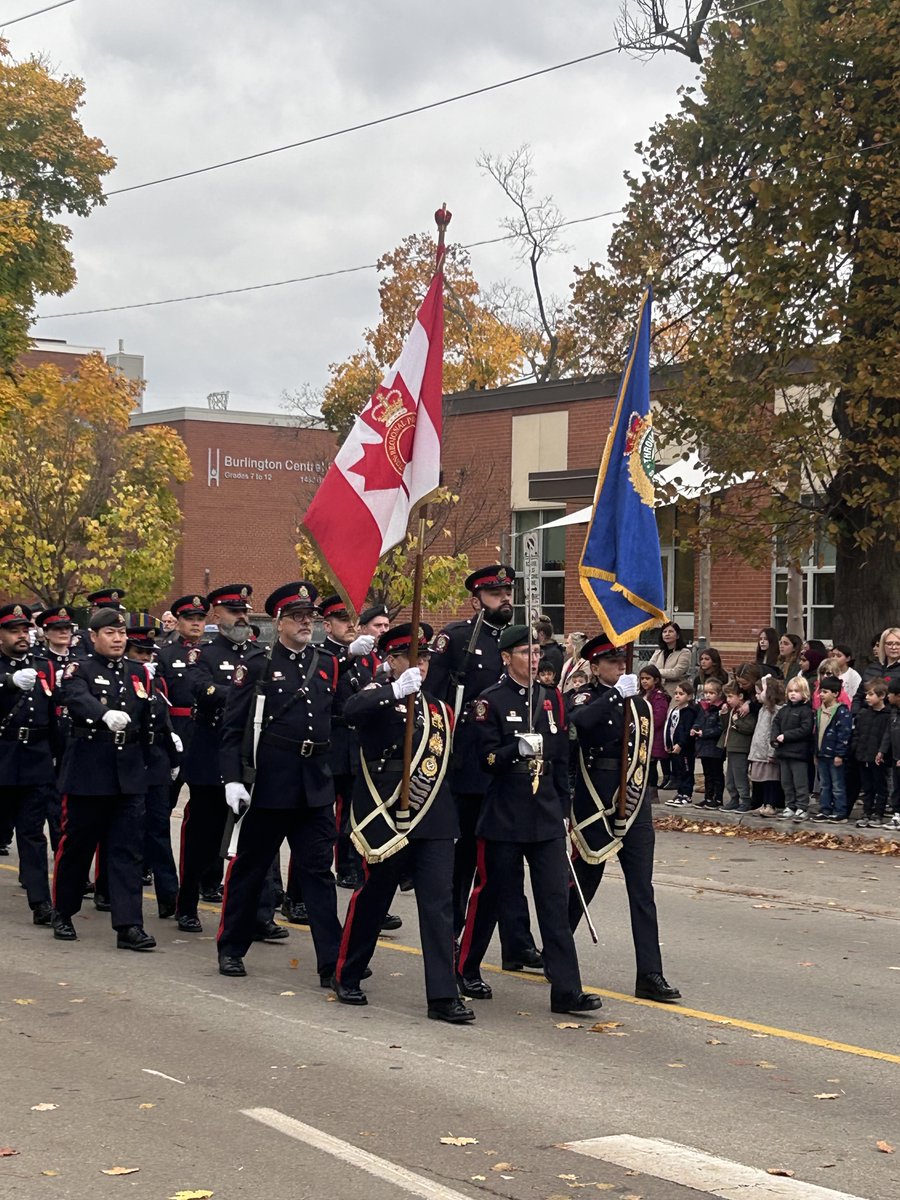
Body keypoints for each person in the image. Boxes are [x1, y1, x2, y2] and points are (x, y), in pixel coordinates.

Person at [458, 624, 602, 1015]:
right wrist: (514, 751)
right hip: (505, 813)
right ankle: (465, 968)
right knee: (490, 897)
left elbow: (558, 759)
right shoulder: (491, 701)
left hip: (544, 815)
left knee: (555, 902)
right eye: (525, 652)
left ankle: (567, 990)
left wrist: (564, 809)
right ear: (506, 657)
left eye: (537, 651)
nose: (535, 658)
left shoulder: (552, 697)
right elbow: (484, 761)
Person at [333, 623, 473, 1023]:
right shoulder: (375, 698)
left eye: (426, 658)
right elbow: (350, 713)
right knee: (375, 897)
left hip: (433, 816)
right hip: (386, 813)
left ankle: (443, 996)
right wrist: (394, 691)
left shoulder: (440, 709)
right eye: (413, 657)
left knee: (438, 905)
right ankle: (348, 972)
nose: (422, 665)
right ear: (392, 661)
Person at [216, 582, 343, 984]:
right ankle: (232, 948)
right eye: (298, 617)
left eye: (311, 617)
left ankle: (333, 963)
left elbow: (340, 716)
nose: (307, 624)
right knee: (251, 870)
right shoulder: (256, 664)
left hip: (314, 785)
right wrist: (233, 780)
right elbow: (232, 729)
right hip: (270, 784)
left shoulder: (327, 663)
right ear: (279, 621)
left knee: (319, 875)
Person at [426, 564, 540, 972]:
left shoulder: (521, 641)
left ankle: (517, 942)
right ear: (477, 598)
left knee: (509, 860)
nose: (504, 598)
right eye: (495, 593)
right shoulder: (456, 639)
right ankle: (455, 936)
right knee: (465, 864)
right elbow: (433, 701)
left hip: (512, 770)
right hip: (469, 769)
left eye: (507, 591)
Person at [566, 632, 681, 1004]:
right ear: (595, 666)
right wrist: (617, 694)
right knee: (585, 883)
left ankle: (650, 973)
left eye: (621, 661)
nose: (620, 667)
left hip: (633, 803)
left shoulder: (641, 707)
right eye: (612, 662)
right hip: (596, 800)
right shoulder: (587, 696)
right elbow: (581, 723)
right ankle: (558, 951)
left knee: (642, 891)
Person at [52, 608, 155, 950]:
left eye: (121, 633)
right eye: (110, 633)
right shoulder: (78, 669)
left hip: (128, 772)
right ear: (93, 637)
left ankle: (128, 926)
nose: (118, 639)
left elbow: (150, 718)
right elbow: (73, 697)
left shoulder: (138, 672)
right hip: (89, 770)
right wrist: (102, 713)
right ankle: (63, 912)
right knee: (78, 847)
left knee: (127, 851)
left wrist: (165, 756)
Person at [177, 584, 266, 933]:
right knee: (202, 837)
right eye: (233, 611)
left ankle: (256, 914)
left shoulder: (260, 656)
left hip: (250, 755)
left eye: (244, 610)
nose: (242, 617)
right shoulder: (205, 654)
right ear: (217, 615)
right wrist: (243, 695)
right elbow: (202, 689)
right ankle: (187, 903)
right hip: (211, 753)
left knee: (254, 841)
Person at [0, 603, 59, 926]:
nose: (22, 636)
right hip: (3, 756)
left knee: (33, 835)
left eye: (25, 629)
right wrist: (8, 683)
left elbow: (52, 716)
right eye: (13, 630)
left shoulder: (42, 666)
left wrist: (58, 757)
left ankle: (40, 903)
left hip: (35, 758)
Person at [124, 615, 182, 917]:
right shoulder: (120, 680)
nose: (145, 658)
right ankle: (115, 894)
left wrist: (174, 758)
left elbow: (165, 722)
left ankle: (168, 896)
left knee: (159, 832)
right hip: (128, 764)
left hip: (156, 763)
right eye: (139, 653)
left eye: (149, 652)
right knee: (127, 836)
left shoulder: (156, 680)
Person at [771, 676, 814, 820]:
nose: (793, 694)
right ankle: (790, 805)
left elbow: (805, 729)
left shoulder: (805, 711)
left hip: (799, 753)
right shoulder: (784, 710)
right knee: (786, 781)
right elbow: (775, 724)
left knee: (800, 781)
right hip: (784, 752)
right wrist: (774, 738)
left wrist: (786, 736)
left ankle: (802, 806)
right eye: (790, 691)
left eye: (796, 691)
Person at [813, 676, 852, 822]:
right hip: (822, 754)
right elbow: (816, 733)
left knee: (837, 784)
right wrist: (815, 752)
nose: (821, 695)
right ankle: (825, 809)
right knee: (824, 784)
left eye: (825, 691)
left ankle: (840, 811)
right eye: (820, 691)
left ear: (835, 694)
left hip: (835, 755)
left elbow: (844, 734)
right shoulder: (819, 711)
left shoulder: (841, 711)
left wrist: (840, 754)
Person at [852, 680, 890, 828]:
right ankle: (867, 812)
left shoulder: (888, 715)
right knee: (867, 787)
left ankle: (878, 813)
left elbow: (887, 738)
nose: (867, 697)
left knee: (880, 786)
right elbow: (857, 733)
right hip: (863, 755)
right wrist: (856, 749)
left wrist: (883, 753)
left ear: (881, 696)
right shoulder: (863, 713)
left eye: (871, 694)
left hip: (879, 758)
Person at [748, 675, 785, 816]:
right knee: (760, 779)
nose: (756, 696)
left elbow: (772, 732)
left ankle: (771, 804)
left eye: (759, 692)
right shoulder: (762, 709)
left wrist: (772, 751)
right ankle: (762, 803)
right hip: (758, 751)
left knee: (770, 779)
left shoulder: (775, 711)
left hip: (767, 752)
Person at [691, 678, 727, 809]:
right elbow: (699, 721)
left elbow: (720, 728)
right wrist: (694, 728)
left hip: (716, 747)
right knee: (707, 774)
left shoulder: (721, 709)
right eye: (706, 692)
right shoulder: (703, 708)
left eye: (711, 693)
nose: (707, 695)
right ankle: (708, 797)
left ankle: (718, 799)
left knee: (716, 772)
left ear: (718, 694)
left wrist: (704, 733)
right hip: (703, 746)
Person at [662, 681, 699, 807]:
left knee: (686, 770)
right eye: (676, 693)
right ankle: (680, 793)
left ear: (689, 696)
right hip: (674, 746)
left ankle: (687, 794)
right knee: (677, 770)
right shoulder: (674, 710)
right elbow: (669, 727)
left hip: (685, 748)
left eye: (681, 694)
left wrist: (681, 744)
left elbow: (686, 731)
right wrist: (668, 742)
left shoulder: (689, 712)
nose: (677, 696)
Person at [638, 663, 669, 803]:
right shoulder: (640, 695)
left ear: (656, 680)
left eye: (648, 678)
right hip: (641, 735)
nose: (644, 681)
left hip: (653, 737)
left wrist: (645, 725)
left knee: (651, 767)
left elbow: (659, 717)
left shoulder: (659, 697)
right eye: (642, 678)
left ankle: (652, 793)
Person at [648, 622, 692, 698]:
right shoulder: (658, 652)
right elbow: (649, 669)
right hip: (657, 691)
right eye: (664, 632)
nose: (667, 634)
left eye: (670, 631)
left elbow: (676, 672)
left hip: (676, 692)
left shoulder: (684, 652)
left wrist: (656, 672)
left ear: (677, 635)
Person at [879, 680, 900, 831]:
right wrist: (882, 750)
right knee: (896, 787)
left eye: (890, 694)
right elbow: (888, 733)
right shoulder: (893, 711)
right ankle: (897, 815)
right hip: (895, 756)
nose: (888, 697)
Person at [535, 616, 564, 683]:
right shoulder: (546, 649)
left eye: (535, 634)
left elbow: (551, 678)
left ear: (541, 634)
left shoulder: (553, 653)